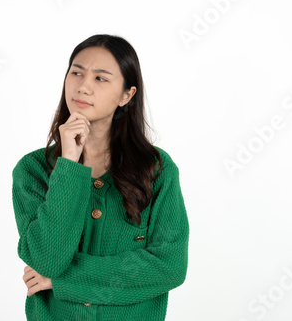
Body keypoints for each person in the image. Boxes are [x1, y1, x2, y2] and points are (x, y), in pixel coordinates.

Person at [12, 33, 189, 321]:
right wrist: (69, 164)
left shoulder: (156, 169)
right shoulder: (32, 171)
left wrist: (64, 281)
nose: (83, 86)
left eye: (100, 78)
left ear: (126, 95)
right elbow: (47, 259)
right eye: (77, 73)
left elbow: (169, 266)